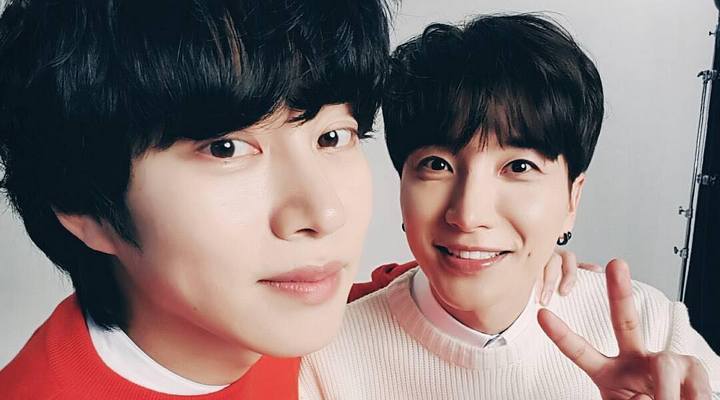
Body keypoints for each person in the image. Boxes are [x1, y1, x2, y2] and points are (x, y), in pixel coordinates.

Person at [0, 2, 588, 398]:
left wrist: (518, 272)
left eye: (332, 137)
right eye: (227, 148)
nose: (322, 212)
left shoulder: (305, 307)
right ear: (83, 204)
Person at [300, 14, 720, 399]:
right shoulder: (326, 364)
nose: (468, 215)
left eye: (519, 167)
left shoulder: (656, 333)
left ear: (572, 198)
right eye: (437, 165)